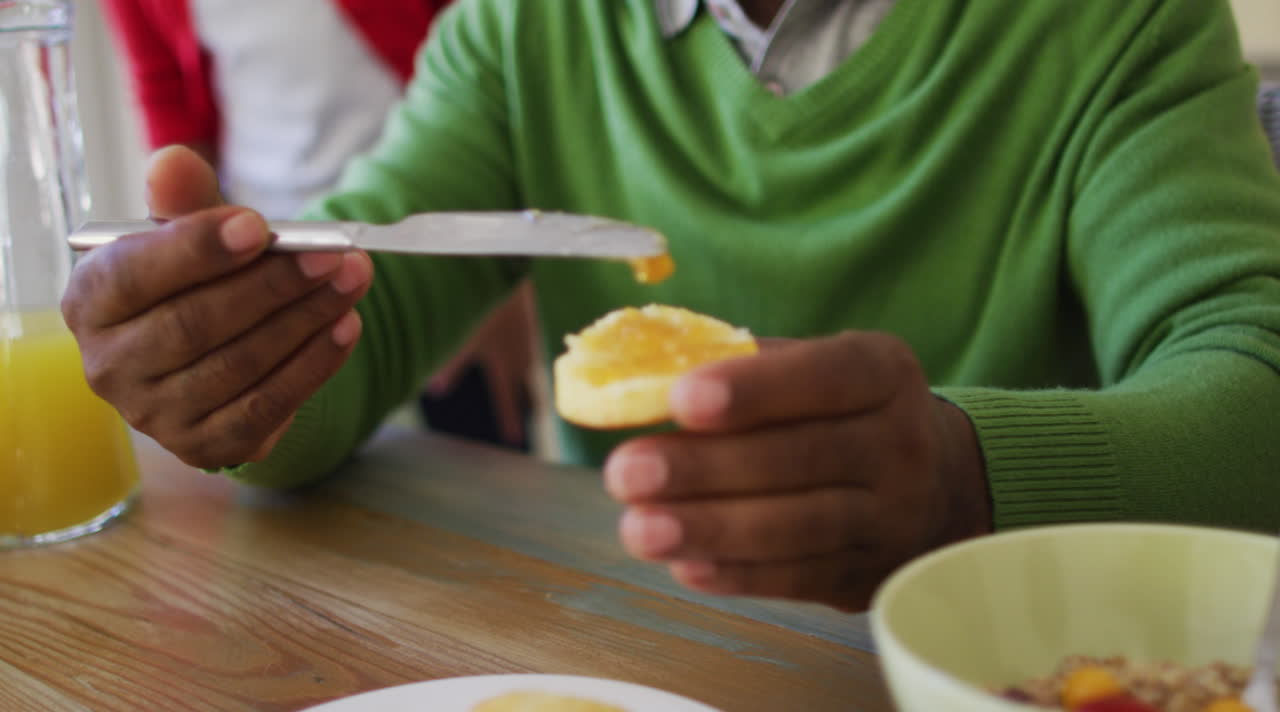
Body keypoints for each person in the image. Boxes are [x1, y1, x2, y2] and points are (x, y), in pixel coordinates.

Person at [63, 0, 1280, 612]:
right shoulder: (523, 27)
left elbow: (1251, 383)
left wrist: (963, 478)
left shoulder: (1114, 23)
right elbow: (360, 318)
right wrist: (240, 366)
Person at [100, 0, 535, 451]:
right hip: (266, 240)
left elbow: (477, 77)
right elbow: (165, 95)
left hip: (425, 231)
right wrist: (196, 276)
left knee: (474, 444)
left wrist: (493, 271)